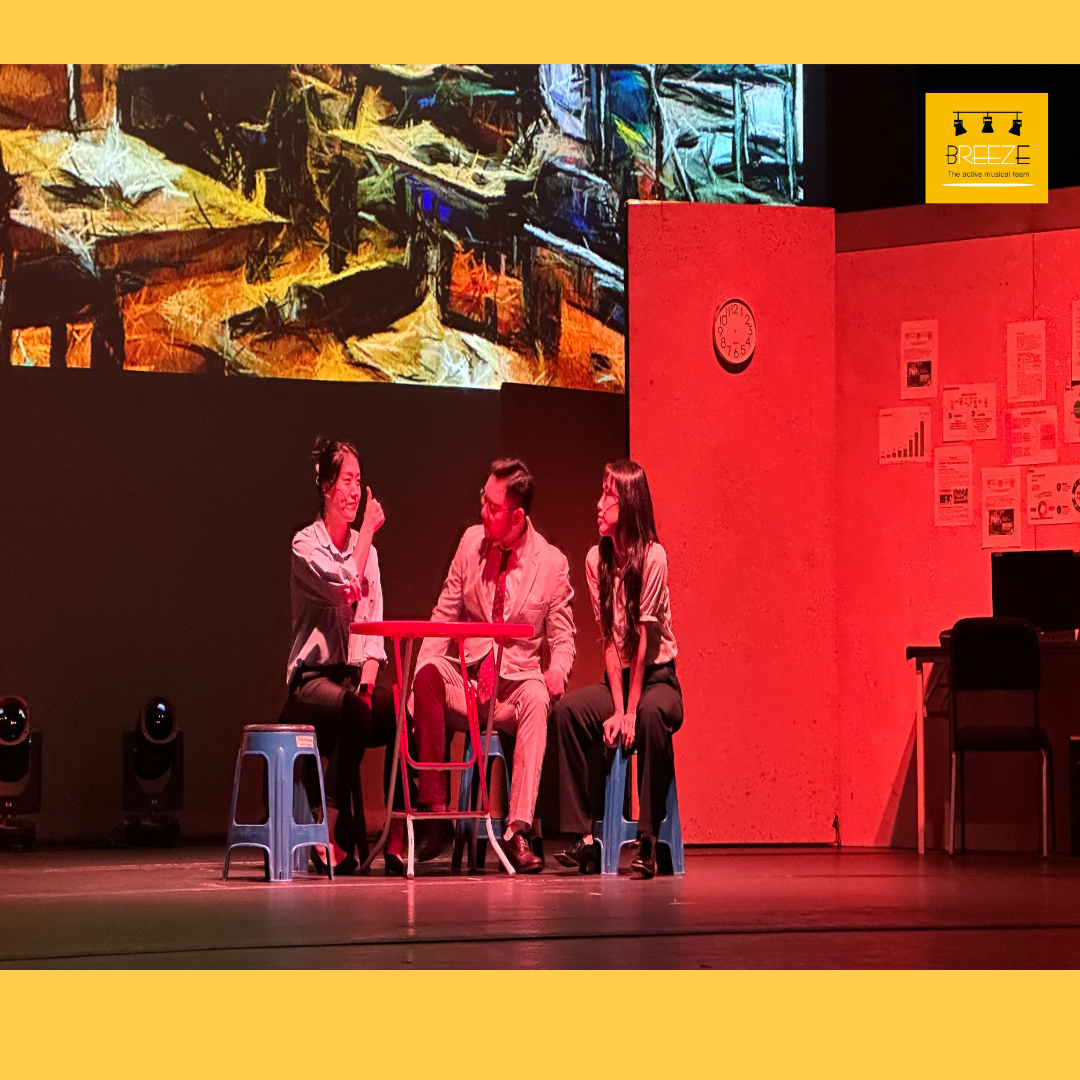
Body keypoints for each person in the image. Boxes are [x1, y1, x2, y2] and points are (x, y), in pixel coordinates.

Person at [410, 458, 576, 873]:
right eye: (482, 501)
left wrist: (558, 670)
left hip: (512, 688)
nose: (482, 512)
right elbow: (444, 615)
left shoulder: (551, 563)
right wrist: (417, 682)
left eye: (492, 506)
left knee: (537, 697)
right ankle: (436, 815)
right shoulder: (471, 542)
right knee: (427, 675)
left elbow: (563, 637)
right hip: (467, 681)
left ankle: (517, 831)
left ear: (517, 516)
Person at [552, 460, 682, 879]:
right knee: (568, 713)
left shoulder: (654, 557)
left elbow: (643, 643)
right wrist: (618, 707)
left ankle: (648, 840)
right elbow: (610, 642)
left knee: (650, 716)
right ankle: (584, 837)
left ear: (627, 502)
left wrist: (629, 711)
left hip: (658, 678)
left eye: (608, 495)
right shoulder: (597, 560)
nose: (599, 503)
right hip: (619, 682)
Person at [282, 437, 400, 874]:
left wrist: (368, 685)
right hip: (312, 683)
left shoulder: (370, 554)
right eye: (347, 481)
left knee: (396, 711)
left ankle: (395, 837)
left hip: (351, 679)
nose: (355, 491)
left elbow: (373, 630)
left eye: (358, 481)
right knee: (354, 711)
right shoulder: (305, 546)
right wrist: (366, 532)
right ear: (326, 487)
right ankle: (325, 832)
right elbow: (347, 588)